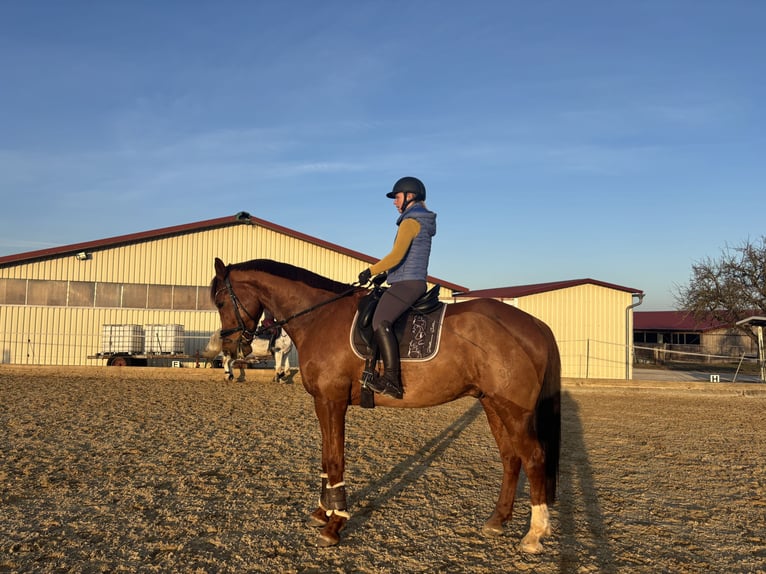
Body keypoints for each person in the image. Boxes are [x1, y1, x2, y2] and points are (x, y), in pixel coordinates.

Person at [358, 176, 436, 399]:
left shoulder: (410, 222)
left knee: (380, 321)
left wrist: (370, 271)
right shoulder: (418, 220)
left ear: (410, 197)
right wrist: (385, 275)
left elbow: (396, 255)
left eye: (397, 197)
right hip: (407, 279)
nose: (394, 202)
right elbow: (405, 258)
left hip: (408, 283)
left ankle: (392, 380)